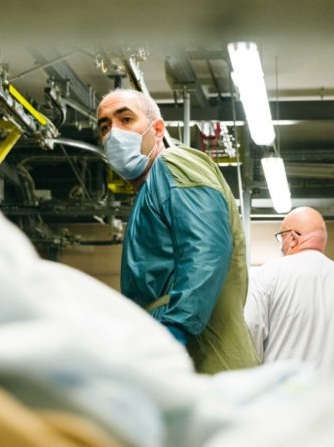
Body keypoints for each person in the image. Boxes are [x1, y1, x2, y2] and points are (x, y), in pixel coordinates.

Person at [97, 88, 259, 374]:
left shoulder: (175, 164)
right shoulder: (151, 189)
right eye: (105, 126)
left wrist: (175, 330)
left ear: (157, 129)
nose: (113, 133)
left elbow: (206, 248)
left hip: (202, 355)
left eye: (125, 119)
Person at [244, 206, 334, 376]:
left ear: (292, 238)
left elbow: (247, 340)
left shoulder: (268, 275)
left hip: (282, 398)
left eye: (281, 238)